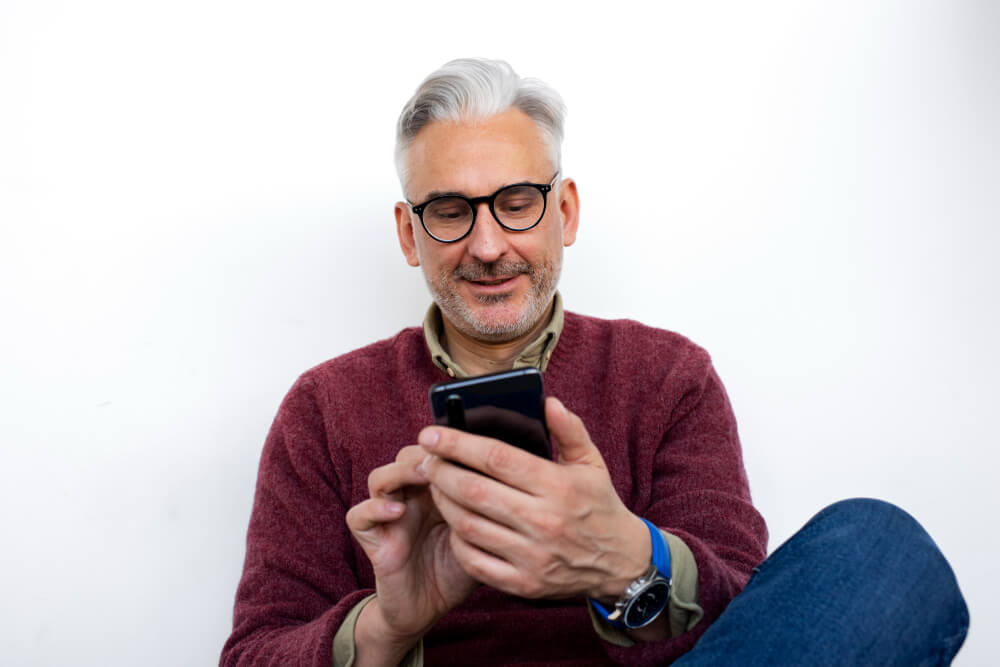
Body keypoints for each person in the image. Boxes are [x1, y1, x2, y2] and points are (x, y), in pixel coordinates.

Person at [221, 59, 969, 667]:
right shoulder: (324, 407)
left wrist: (626, 561)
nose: (486, 246)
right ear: (409, 233)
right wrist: (386, 624)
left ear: (566, 211)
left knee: (878, 547)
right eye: (449, 211)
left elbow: (761, 619)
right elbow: (252, 654)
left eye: (516, 200)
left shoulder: (669, 376)